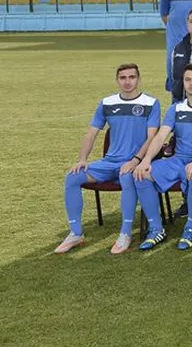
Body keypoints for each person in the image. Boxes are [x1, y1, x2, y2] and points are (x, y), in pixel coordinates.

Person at [54, 64, 161, 255]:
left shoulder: (151, 103)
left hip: (133, 162)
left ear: (139, 79)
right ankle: (75, 233)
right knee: (72, 177)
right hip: (109, 162)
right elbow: (91, 133)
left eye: (132, 77)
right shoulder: (107, 103)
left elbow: (152, 137)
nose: (127, 82)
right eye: (123, 78)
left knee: (127, 177)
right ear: (117, 80)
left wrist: (135, 161)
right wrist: (82, 159)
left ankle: (125, 234)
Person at [132, 65, 192, 251]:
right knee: (141, 175)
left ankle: (190, 228)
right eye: (188, 79)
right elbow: (161, 136)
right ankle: (156, 229)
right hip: (179, 158)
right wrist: (146, 160)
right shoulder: (176, 108)